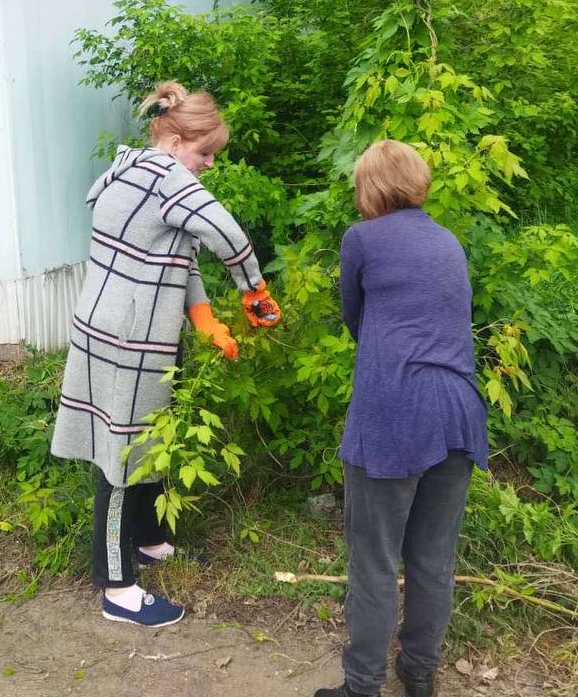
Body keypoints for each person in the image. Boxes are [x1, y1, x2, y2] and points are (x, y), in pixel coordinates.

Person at [50, 81, 281, 628]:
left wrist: (203, 318)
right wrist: (254, 290)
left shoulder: (133, 170)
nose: (207, 166)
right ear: (176, 140)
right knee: (119, 455)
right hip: (127, 338)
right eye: (205, 154)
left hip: (114, 329)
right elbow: (227, 232)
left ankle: (150, 541)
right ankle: (116, 587)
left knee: (144, 437)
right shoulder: (165, 176)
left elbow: (178, 257)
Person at [316, 140, 488, 697]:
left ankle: (362, 686)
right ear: (417, 183)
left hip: (394, 411)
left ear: (369, 187)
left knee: (374, 559)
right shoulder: (448, 241)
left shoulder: (361, 238)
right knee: (433, 560)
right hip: (459, 413)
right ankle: (418, 673)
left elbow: (355, 319)